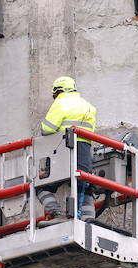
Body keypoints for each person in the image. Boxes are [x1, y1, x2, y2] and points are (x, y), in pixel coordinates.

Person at [38, 76, 97, 221]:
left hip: (62, 150)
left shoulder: (60, 103)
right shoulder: (88, 106)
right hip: (84, 149)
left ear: (58, 91)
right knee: (85, 187)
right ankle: (89, 220)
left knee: (42, 186)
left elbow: (47, 129)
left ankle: (58, 214)